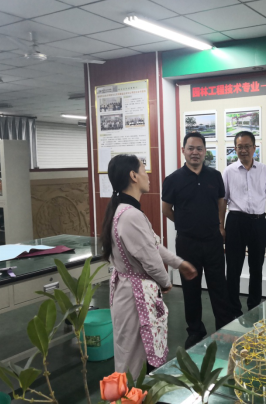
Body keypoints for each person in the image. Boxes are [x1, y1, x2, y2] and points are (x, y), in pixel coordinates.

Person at [100, 154, 197, 379]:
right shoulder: (130, 215)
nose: (148, 176)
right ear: (133, 176)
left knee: (133, 350)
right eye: (144, 170)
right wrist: (165, 282)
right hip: (134, 296)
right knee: (134, 358)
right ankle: (133, 393)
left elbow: (151, 245)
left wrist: (179, 263)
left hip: (129, 291)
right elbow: (151, 259)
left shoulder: (124, 210)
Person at [162, 132, 234, 349]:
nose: (195, 152)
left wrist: (220, 225)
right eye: (191, 148)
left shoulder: (215, 176)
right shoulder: (173, 179)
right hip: (187, 243)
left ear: (205, 151)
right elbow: (166, 209)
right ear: (183, 151)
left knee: (219, 287)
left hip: (213, 240)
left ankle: (224, 328)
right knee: (190, 289)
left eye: (199, 148)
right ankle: (195, 331)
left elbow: (221, 202)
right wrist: (184, 222)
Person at [222, 131, 266, 318]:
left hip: (258, 222)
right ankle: (233, 309)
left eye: (247, 146)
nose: (243, 150)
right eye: (240, 147)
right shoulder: (229, 171)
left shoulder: (264, 170)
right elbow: (223, 200)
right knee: (233, 268)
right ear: (235, 149)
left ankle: (254, 306)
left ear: (254, 148)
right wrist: (220, 226)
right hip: (235, 222)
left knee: (256, 267)